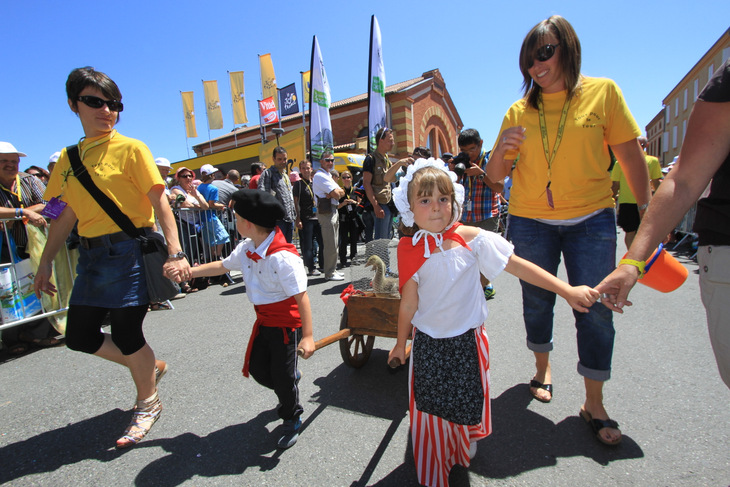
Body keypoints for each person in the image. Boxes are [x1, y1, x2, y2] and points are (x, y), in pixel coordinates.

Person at [486, 16, 651, 446]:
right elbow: (492, 178)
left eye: (545, 53)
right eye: (528, 59)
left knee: (595, 309)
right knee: (537, 303)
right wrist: (501, 153)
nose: (535, 66)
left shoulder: (604, 93)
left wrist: (650, 215)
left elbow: (632, 160)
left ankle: (593, 402)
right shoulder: (517, 111)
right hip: (529, 220)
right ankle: (541, 368)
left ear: (568, 49)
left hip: (591, 220)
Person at [387, 159, 598, 486]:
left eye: (443, 198)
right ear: (410, 208)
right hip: (428, 344)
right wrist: (401, 343)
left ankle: (460, 445)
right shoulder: (409, 250)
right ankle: (433, 472)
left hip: (468, 342)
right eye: (425, 200)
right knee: (430, 412)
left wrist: (567, 290)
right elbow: (409, 303)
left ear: (454, 202)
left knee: (464, 400)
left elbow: (519, 266)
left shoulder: (472, 239)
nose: (436, 207)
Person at [33, 67, 191, 449]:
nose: (106, 110)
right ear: (74, 104)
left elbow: (160, 202)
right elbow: (62, 215)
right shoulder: (68, 159)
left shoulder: (132, 148)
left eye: (113, 104)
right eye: (94, 102)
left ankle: (147, 402)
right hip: (91, 255)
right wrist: (44, 264)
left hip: (129, 251)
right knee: (79, 336)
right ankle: (147, 368)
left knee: (125, 332)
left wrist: (177, 250)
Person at [597, 58, 730, 390]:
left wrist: (648, 210)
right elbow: (683, 180)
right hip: (718, 239)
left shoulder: (654, 160)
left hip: (641, 204)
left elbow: (658, 181)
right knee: (628, 235)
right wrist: (633, 259)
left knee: (632, 233)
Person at [187, 189, 314, 449]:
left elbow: (302, 299)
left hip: (286, 327)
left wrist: (309, 337)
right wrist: (191, 272)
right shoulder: (247, 247)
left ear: (247, 223)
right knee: (257, 369)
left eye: (235, 217)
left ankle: (292, 416)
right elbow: (222, 265)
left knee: (281, 376)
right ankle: (289, 380)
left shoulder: (284, 257)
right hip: (264, 322)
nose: (233, 222)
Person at [0, 142, 60, 355]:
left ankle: (39, 332)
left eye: (14, 161)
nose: (10, 165)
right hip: (4, 250)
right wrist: (25, 213)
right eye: (4, 161)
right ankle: (12, 337)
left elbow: (53, 205)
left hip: (33, 245)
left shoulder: (29, 180)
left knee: (37, 285)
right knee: (7, 291)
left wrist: (19, 214)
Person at [611, 136, 663, 248]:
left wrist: (611, 198)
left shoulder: (620, 161)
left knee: (630, 232)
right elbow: (656, 182)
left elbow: (615, 185)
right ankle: (640, 259)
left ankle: (632, 259)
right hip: (645, 202)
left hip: (628, 202)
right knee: (644, 233)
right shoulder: (652, 161)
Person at [312, 151, 345, 281]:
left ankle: (333, 269)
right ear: (321, 161)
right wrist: (334, 193)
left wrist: (332, 193)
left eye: (332, 160)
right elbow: (338, 194)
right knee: (330, 243)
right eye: (327, 160)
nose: (330, 163)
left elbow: (341, 192)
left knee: (334, 242)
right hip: (326, 211)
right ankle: (329, 273)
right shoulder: (320, 176)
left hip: (332, 209)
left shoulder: (327, 175)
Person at [171, 167, 209, 275]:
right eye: (184, 176)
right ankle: (185, 278)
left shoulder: (194, 190)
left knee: (197, 251)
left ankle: (195, 276)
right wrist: (197, 206)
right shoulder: (176, 189)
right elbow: (185, 203)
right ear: (179, 178)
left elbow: (205, 206)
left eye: (190, 176)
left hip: (195, 225)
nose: (188, 178)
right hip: (183, 224)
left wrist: (196, 195)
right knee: (187, 250)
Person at [362, 127, 394, 240]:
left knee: (386, 239)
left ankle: (383, 258)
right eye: (390, 140)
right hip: (380, 205)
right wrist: (375, 206)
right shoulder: (371, 159)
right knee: (380, 240)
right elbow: (366, 183)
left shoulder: (386, 159)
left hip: (388, 203)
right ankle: (379, 258)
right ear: (381, 141)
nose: (392, 143)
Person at [258, 147, 296, 243]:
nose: (283, 162)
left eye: (285, 159)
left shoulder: (285, 175)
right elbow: (263, 196)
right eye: (280, 159)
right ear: (273, 159)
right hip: (277, 220)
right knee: (277, 248)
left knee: (287, 248)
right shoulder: (267, 174)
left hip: (289, 218)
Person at [292, 160, 323, 276]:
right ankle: (311, 268)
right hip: (306, 218)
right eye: (303, 168)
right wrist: (298, 218)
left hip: (318, 217)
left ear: (311, 169)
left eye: (308, 168)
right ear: (300, 170)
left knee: (322, 242)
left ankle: (323, 265)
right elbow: (296, 203)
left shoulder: (315, 182)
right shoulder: (298, 185)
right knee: (308, 245)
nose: (306, 170)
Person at [197, 164, 230, 263]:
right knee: (224, 236)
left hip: (202, 217)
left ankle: (213, 257)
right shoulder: (213, 188)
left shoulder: (199, 187)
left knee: (212, 239)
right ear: (211, 175)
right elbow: (211, 204)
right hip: (211, 217)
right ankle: (217, 255)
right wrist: (221, 206)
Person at [337, 170, 360, 267]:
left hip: (353, 218)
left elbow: (360, 203)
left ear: (351, 178)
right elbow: (335, 207)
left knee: (354, 239)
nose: (346, 179)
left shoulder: (355, 190)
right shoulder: (339, 191)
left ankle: (353, 258)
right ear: (341, 180)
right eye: (344, 177)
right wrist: (343, 204)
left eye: (348, 177)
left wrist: (354, 202)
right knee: (344, 239)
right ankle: (343, 260)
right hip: (343, 218)